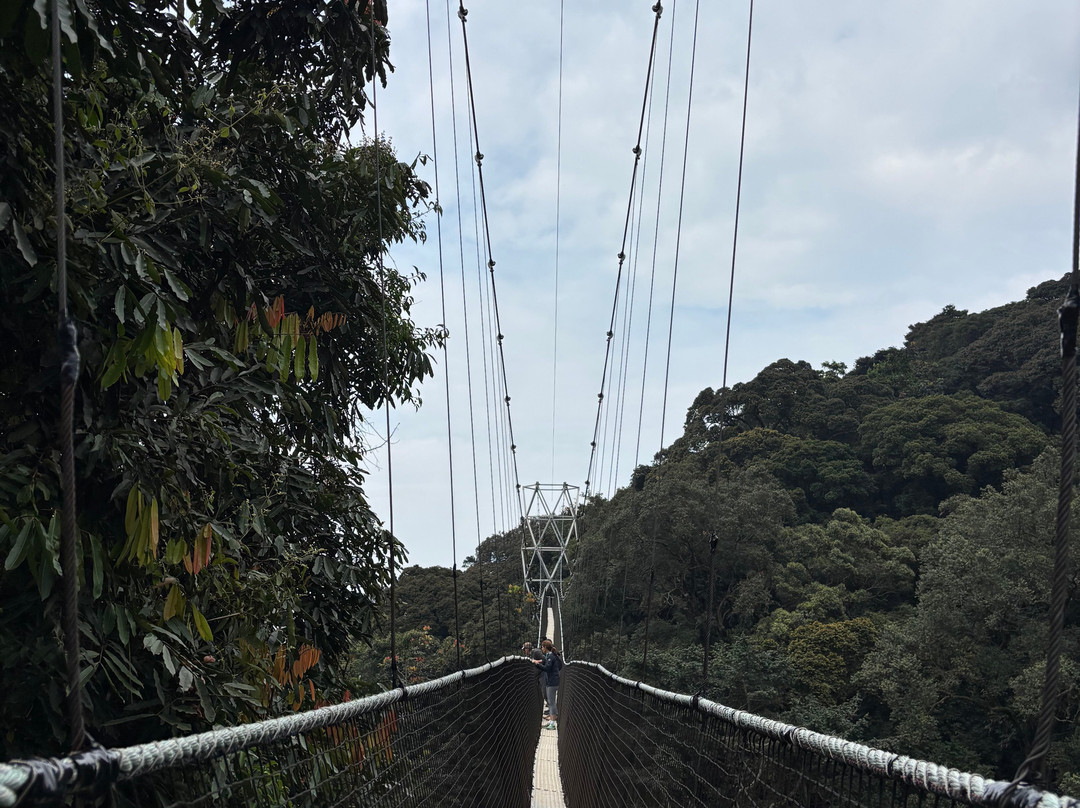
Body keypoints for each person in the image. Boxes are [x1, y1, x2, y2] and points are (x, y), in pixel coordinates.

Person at [534, 639, 563, 728]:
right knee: (551, 702)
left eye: (542, 647)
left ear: (545, 647)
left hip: (552, 682)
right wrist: (539, 661)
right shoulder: (549, 655)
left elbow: (547, 668)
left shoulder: (551, 656)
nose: (541, 648)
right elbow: (548, 662)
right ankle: (551, 720)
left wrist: (536, 663)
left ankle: (553, 723)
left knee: (551, 702)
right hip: (551, 681)